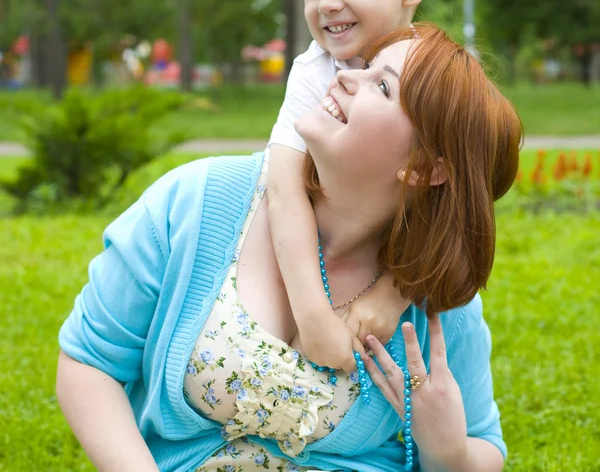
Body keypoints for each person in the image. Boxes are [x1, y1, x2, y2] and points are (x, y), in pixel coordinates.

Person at [56, 23, 522, 472]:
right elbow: (89, 364)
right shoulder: (198, 201)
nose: (343, 75)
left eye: (381, 85)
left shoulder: (431, 294)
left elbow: (483, 445)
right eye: (364, 64)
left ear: (423, 168)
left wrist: (448, 451)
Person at [267, 0, 432, 373]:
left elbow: (458, 199)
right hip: (315, 253)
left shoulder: (432, 75)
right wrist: (313, 314)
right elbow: (282, 185)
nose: (327, 4)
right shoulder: (314, 69)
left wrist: (394, 292)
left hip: (402, 259)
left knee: (403, 370)